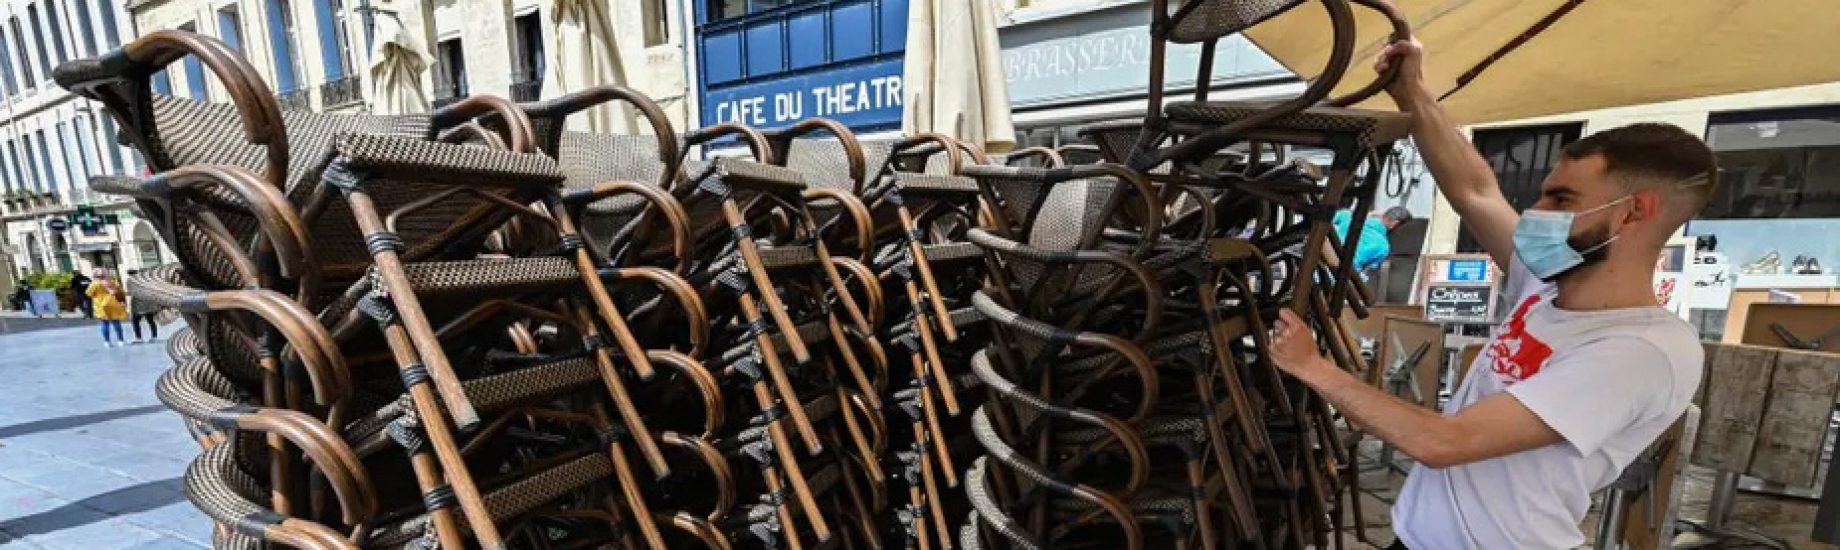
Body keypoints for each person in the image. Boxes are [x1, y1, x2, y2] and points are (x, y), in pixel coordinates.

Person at [1267, 38, 1714, 549]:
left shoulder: (1641, 352)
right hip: (1417, 538)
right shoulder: (1547, 287)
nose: (1537, 211)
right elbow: (1476, 190)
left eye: (1562, 198)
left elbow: (1442, 441)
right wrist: (1411, 92)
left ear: (1634, 212)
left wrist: (1311, 367)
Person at [1331, 206, 1413, 276]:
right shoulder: (1383, 247)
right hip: (1339, 278)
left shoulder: (1346, 215)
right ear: (1395, 224)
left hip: (1321, 264)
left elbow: (1324, 224)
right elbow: (1365, 271)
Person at [86, 269, 129, 347]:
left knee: (105, 323)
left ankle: (107, 342)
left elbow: (88, 293)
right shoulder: (113, 282)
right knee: (116, 322)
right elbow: (120, 291)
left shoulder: (95, 284)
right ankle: (120, 341)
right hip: (113, 304)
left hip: (101, 306)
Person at [125, 269, 163, 343]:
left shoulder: (131, 281)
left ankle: (139, 338)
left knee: (135, 321)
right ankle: (154, 337)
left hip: (138, 306)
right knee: (151, 321)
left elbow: (131, 292)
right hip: (148, 305)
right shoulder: (146, 281)